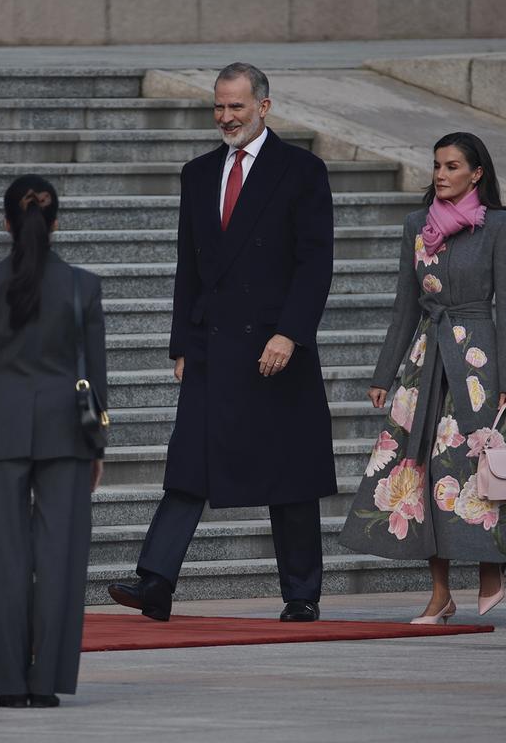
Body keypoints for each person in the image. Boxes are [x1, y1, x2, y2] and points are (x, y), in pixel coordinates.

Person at [107, 63, 335, 623]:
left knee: (290, 474)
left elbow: (315, 262)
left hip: (276, 347)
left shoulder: (301, 171)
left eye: (236, 106)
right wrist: (181, 341)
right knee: (189, 464)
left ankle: (301, 593)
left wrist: (290, 332)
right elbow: (190, 265)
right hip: (212, 345)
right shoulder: (198, 172)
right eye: (218, 107)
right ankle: (155, 580)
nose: (226, 117)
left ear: (264, 106)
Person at [339, 132, 506, 623]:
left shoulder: (500, 226)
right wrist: (384, 373)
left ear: (476, 173)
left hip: (479, 363)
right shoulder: (417, 225)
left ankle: (492, 561)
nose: (441, 174)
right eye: (437, 165)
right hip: (426, 361)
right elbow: (405, 304)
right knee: (420, 474)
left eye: (453, 166)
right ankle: (440, 594)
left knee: (478, 468)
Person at [0, 175, 106, 708]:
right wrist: (98, 447)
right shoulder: (82, 286)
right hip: (68, 431)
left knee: (3, 557)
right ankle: (46, 682)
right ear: (57, 222)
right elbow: (99, 375)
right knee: (61, 556)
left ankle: (8, 681)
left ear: (6, 223)